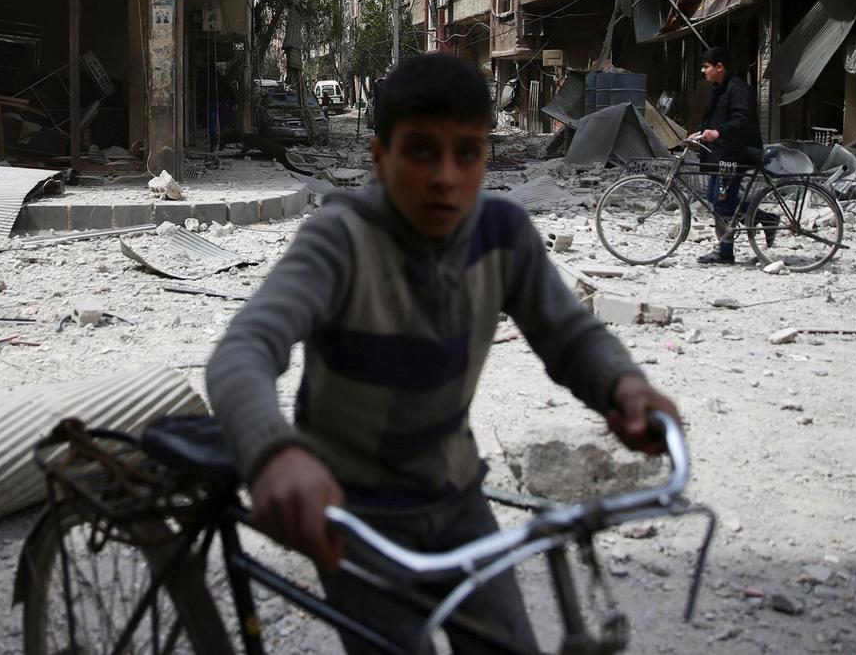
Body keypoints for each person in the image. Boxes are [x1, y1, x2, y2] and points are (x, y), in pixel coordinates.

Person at [206, 52, 680, 653]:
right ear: (381, 157)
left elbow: (570, 334)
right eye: (421, 151)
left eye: (468, 153)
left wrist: (623, 385)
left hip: (457, 498)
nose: (445, 177)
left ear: (488, 156)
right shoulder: (340, 239)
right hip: (355, 515)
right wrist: (274, 454)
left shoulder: (503, 234)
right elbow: (243, 351)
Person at [691, 45, 764, 265]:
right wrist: (702, 133)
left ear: (719, 67)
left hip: (736, 156)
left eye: (706, 67)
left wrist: (718, 132)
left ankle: (725, 252)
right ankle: (765, 218)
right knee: (716, 197)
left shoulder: (738, 89)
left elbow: (742, 121)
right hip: (722, 156)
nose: (703, 71)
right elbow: (715, 120)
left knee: (722, 201)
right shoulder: (719, 88)